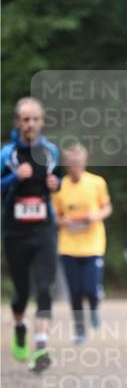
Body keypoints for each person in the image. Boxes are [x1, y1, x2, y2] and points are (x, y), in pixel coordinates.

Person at [1, 97, 61, 372]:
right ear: (18, 123)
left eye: (35, 119)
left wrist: (55, 183)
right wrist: (15, 178)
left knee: (45, 287)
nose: (30, 124)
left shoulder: (50, 151)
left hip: (44, 229)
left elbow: (56, 181)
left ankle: (41, 347)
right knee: (22, 294)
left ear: (42, 122)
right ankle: (20, 326)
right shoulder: (7, 154)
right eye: (25, 119)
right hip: (15, 232)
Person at [52, 143, 112, 343]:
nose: (74, 166)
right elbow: (54, 215)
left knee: (90, 288)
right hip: (68, 246)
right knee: (75, 292)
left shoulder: (97, 182)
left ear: (84, 162)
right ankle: (80, 331)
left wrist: (95, 216)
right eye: (70, 163)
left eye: (77, 162)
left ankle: (94, 307)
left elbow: (106, 208)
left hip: (93, 245)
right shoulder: (60, 186)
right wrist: (63, 221)